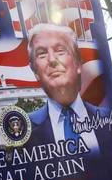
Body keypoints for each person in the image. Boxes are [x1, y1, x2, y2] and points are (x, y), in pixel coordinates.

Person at [26, 23, 104, 153]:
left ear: (78, 62)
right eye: (42, 54)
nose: (52, 60)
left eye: (60, 51)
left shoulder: (107, 119)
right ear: (34, 71)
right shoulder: (26, 131)